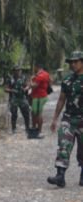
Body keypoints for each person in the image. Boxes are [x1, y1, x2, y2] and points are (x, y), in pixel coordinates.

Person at [47, 51, 83, 188]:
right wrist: (55, 119)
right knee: (64, 145)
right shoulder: (67, 80)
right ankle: (60, 175)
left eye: (76, 62)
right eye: (71, 62)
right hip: (69, 118)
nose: (73, 64)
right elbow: (62, 99)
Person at [4, 65, 31, 133]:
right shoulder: (10, 79)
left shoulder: (24, 77)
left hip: (22, 97)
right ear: (13, 71)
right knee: (14, 113)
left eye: (19, 70)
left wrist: (25, 89)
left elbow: (28, 85)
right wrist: (12, 90)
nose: (18, 72)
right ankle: (14, 128)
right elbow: (6, 88)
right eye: (16, 70)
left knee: (26, 113)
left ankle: (27, 128)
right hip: (14, 98)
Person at [30, 63, 52, 138]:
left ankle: (39, 131)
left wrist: (30, 80)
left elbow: (34, 85)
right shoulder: (46, 74)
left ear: (37, 67)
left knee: (38, 113)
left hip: (39, 96)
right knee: (34, 112)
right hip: (42, 95)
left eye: (34, 67)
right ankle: (35, 129)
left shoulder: (40, 75)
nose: (34, 69)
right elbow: (51, 81)